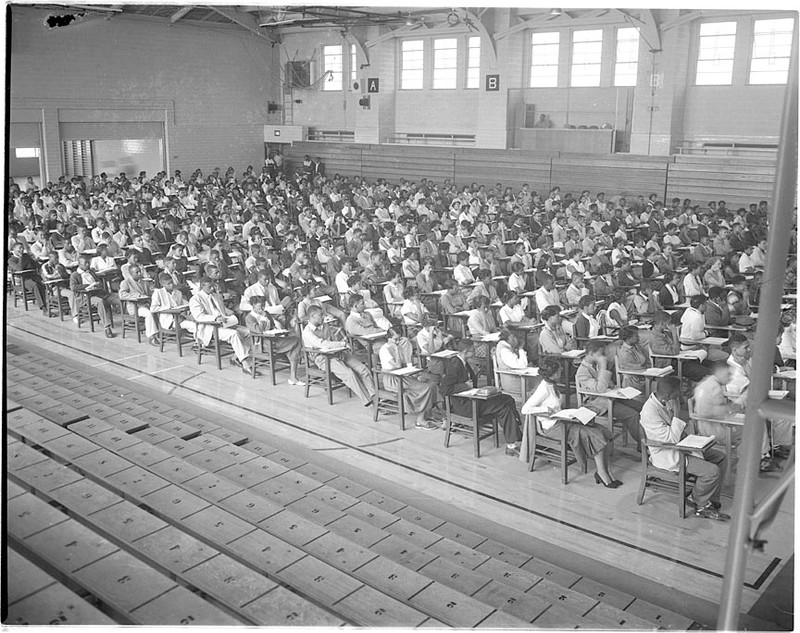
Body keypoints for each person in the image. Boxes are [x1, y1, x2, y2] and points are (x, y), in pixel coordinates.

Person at [640, 377, 729, 520]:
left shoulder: (665, 401)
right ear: (668, 396)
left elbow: (678, 431)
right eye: (677, 394)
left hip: (680, 446)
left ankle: (710, 498)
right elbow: (670, 439)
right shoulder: (649, 412)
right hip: (666, 453)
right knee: (712, 472)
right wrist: (676, 414)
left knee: (721, 458)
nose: (679, 396)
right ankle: (700, 504)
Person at [522, 359, 619, 486]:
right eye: (558, 372)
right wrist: (545, 409)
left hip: (562, 420)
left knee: (601, 430)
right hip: (551, 427)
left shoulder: (552, 385)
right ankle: (602, 473)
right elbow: (525, 409)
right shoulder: (543, 389)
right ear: (552, 374)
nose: (560, 374)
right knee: (595, 435)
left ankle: (607, 471)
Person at [726, 334, 792, 472]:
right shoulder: (732, 369)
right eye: (745, 347)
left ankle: (778, 446)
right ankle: (762, 457)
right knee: (759, 417)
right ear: (734, 350)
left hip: (752, 400)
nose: (749, 349)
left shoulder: (743, 361)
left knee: (781, 411)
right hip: (737, 407)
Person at [302, 304, 376, 407]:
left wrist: (340, 347)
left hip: (337, 353)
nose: (323, 317)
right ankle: (368, 400)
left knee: (363, 369)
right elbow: (323, 344)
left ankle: (374, 395)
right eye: (320, 315)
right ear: (312, 316)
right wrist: (342, 344)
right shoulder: (307, 332)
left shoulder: (325, 325)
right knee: (349, 374)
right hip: (323, 359)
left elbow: (333, 340)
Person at [576, 340, 642, 446]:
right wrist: (603, 367)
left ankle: (648, 437)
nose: (604, 357)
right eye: (601, 354)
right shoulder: (582, 372)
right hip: (597, 404)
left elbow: (609, 384)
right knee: (632, 415)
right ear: (592, 353)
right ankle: (642, 445)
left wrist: (617, 389)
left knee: (641, 407)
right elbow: (600, 389)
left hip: (610, 398)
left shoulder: (595, 365)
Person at [378, 327, 440, 430]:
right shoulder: (385, 349)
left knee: (432, 384)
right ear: (388, 338)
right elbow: (397, 366)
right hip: (393, 379)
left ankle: (428, 414)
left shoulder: (399, 346)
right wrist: (397, 350)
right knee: (425, 388)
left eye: (399, 339)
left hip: (403, 375)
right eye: (395, 339)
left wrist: (416, 375)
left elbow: (406, 364)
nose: (397, 342)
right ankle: (420, 420)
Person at [189, 277, 255, 374]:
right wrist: (215, 318)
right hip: (210, 328)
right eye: (209, 287)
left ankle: (236, 357)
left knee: (250, 332)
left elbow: (222, 311)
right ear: (202, 286)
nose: (212, 289)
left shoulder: (217, 296)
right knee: (233, 334)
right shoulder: (195, 299)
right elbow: (199, 317)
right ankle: (245, 364)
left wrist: (229, 317)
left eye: (213, 286)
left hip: (224, 324)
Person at [245, 295, 304, 385]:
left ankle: (293, 376)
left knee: (294, 343)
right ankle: (293, 377)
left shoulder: (266, 313)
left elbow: (272, 326)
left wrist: (278, 330)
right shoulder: (249, 317)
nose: (262, 308)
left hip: (273, 339)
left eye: (263, 306)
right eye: (259, 307)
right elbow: (259, 331)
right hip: (262, 343)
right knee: (295, 342)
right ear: (253, 306)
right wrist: (263, 319)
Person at [649, 311, 709, 382]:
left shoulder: (665, 333)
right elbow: (675, 351)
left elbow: (677, 346)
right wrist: (674, 332)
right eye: (669, 323)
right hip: (671, 364)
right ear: (662, 323)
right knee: (708, 373)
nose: (671, 325)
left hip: (680, 360)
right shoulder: (655, 339)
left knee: (712, 365)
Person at [69, 255, 116, 337]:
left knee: (117, 298)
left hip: (98, 292)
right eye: (85, 263)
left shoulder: (91, 272)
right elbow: (73, 287)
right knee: (100, 302)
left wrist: (97, 284)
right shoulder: (75, 275)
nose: (88, 265)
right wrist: (87, 286)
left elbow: (98, 281)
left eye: (88, 263)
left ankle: (133, 318)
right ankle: (107, 328)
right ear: (79, 264)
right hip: (86, 297)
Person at [118, 264, 158, 345]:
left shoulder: (144, 281)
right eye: (137, 272)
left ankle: (161, 331)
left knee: (159, 309)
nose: (140, 274)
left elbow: (149, 293)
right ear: (131, 274)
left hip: (146, 304)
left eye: (140, 271)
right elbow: (122, 295)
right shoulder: (126, 282)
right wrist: (137, 296)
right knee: (148, 313)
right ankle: (151, 336)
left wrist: (156, 291)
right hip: (134, 307)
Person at [8, 242, 46, 311]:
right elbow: (19, 268)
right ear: (14, 249)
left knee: (43, 284)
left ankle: (47, 304)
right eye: (19, 248)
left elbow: (35, 265)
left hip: (32, 276)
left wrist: (38, 262)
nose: (22, 250)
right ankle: (43, 307)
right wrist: (21, 257)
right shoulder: (11, 260)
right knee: (35, 285)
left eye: (22, 248)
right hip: (22, 280)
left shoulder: (26, 256)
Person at [615, 326, 651, 393]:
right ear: (629, 339)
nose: (639, 337)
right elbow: (639, 367)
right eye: (636, 336)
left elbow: (647, 361)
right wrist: (647, 367)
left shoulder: (637, 346)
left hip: (642, 376)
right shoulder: (624, 353)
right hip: (633, 382)